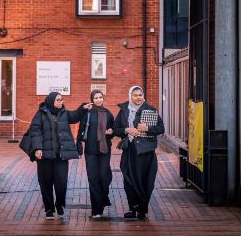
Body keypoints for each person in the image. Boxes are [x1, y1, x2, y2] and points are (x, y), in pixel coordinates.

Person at [29, 92, 92, 220]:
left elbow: (74, 116)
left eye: (62, 100)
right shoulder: (41, 113)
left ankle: (59, 204)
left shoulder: (64, 113)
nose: (61, 102)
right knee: (45, 183)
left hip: (60, 156)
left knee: (61, 183)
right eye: (58, 100)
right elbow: (35, 131)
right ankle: (49, 209)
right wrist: (37, 148)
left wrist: (83, 108)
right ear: (51, 101)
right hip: (44, 156)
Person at [113, 85, 164, 220]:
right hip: (129, 150)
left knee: (143, 180)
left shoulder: (150, 110)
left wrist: (147, 128)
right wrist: (126, 130)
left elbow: (161, 128)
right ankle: (133, 208)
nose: (137, 97)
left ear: (143, 96)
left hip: (145, 151)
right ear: (130, 96)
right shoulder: (124, 110)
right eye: (135, 95)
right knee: (128, 179)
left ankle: (142, 209)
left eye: (140, 95)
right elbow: (115, 128)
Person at [79, 89, 115, 218]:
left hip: (105, 150)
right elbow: (81, 129)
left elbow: (113, 130)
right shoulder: (87, 113)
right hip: (91, 151)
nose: (98, 100)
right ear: (92, 100)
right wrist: (79, 146)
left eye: (100, 97)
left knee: (104, 177)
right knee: (93, 178)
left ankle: (103, 198)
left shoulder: (108, 113)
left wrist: (112, 132)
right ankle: (97, 209)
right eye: (96, 98)